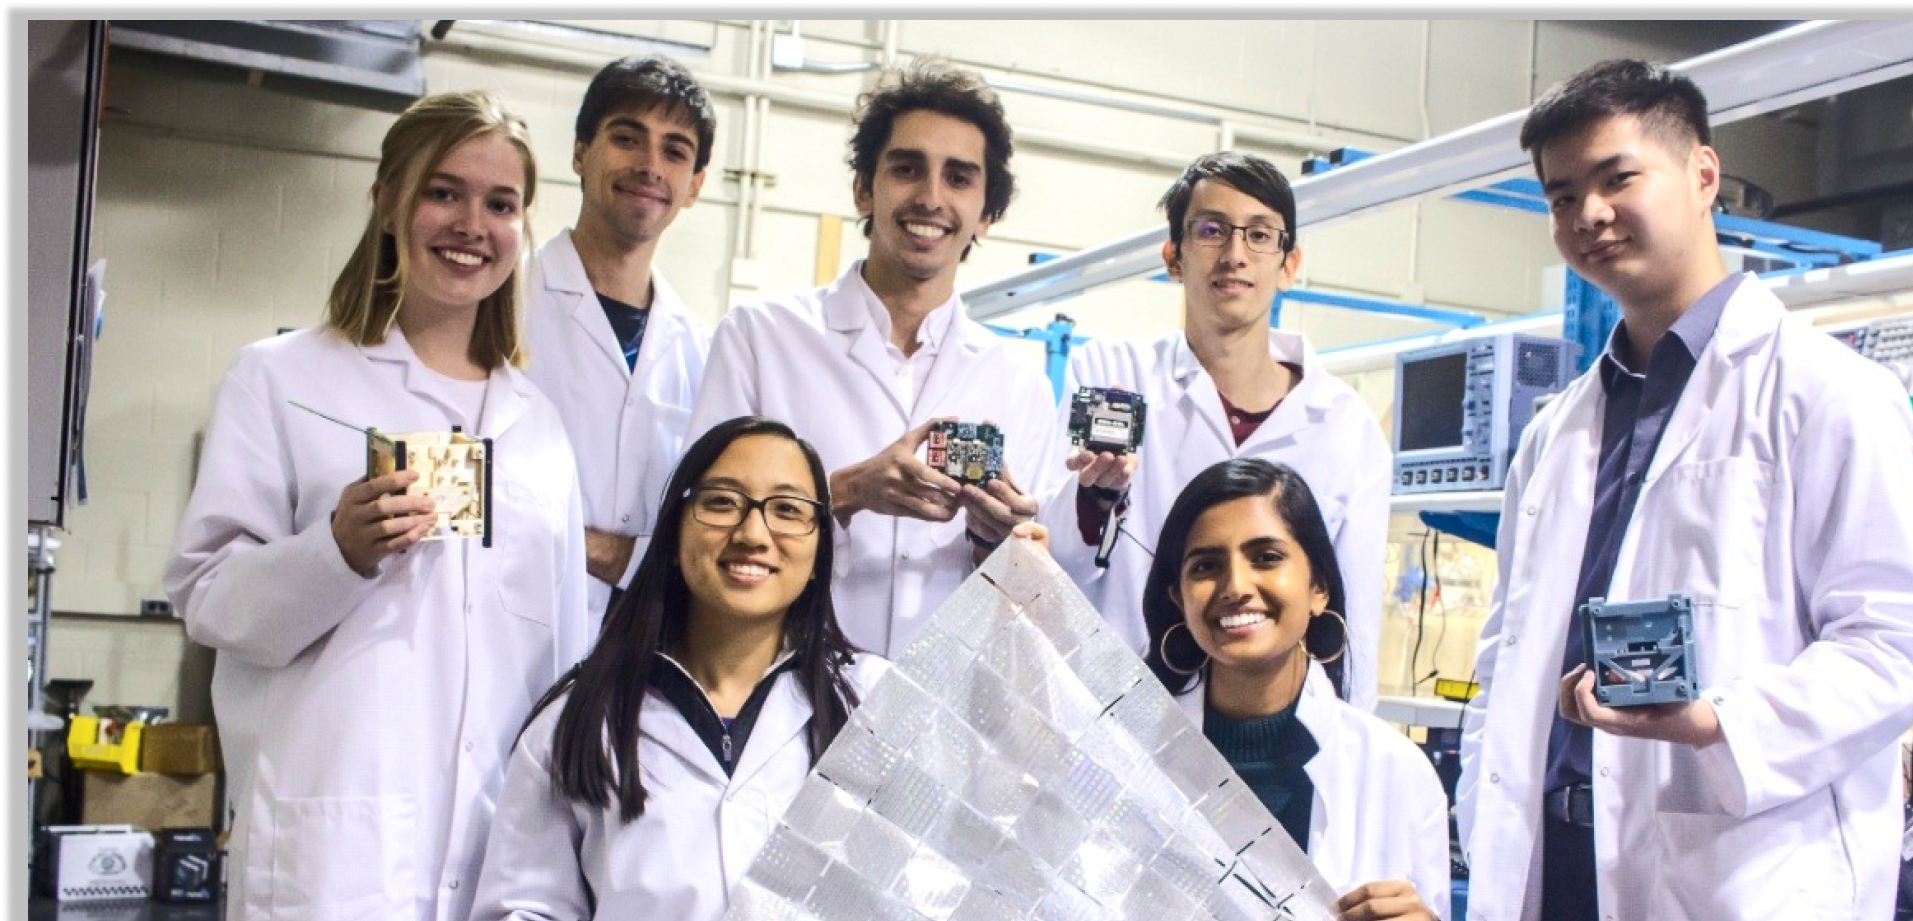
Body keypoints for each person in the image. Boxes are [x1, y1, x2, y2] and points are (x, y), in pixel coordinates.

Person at [1447, 59, 1913, 921]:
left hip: (1721, 899)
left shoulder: (1824, 395)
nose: (1588, 214)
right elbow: (1511, 658)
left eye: (1616, 177)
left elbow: (1894, 649)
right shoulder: (1557, 430)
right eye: (1562, 193)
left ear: (1704, 173)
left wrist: (1723, 721)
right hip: (1555, 904)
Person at [163, 91, 589, 921]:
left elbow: (564, 654)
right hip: (340, 843)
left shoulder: (534, 427)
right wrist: (334, 550)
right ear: (387, 201)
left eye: (501, 202)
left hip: (492, 851)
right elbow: (209, 597)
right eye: (444, 191)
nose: (471, 223)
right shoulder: (285, 378)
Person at [471, 417, 990, 921]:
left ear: (822, 540)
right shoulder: (583, 718)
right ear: (677, 525)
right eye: (723, 502)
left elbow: (947, 908)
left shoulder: (881, 708)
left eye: (789, 509)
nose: (754, 530)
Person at [1027, 458, 1460, 921]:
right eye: (1204, 566)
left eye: (1265, 557)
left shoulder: (1391, 770)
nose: (1235, 586)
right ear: (1175, 594)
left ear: (1317, 585)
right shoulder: (1126, 755)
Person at [687, 58, 1060, 660]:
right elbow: (702, 527)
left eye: (959, 178)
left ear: (987, 213)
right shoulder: (762, 338)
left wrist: (1005, 540)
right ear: (865, 188)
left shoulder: (1017, 379)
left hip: (948, 701)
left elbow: (1036, 585)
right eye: (907, 169)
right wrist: (849, 489)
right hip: (782, 680)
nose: (931, 197)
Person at [1039, 152, 1391, 711]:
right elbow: (1049, 558)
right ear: (1173, 258)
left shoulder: (1345, 426)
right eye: (1211, 230)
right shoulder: (1112, 376)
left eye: (1258, 235)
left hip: (1276, 728)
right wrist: (1093, 498)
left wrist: (1347, 751)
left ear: (1289, 263)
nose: (1234, 255)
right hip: (1125, 717)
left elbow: (1354, 622)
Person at [524, 55, 717, 640]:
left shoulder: (702, 347)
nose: (650, 166)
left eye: (675, 150)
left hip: (642, 649)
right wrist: (607, 551)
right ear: (581, 152)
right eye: (627, 138)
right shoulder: (502, 307)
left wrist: (618, 555)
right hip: (514, 631)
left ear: (695, 187)